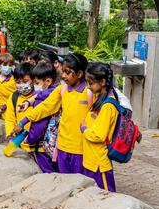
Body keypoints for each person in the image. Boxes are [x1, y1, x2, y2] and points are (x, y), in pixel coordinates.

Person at [13, 53, 91, 174]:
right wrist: (24, 121)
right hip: (62, 148)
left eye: (67, 72)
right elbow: (45, 107)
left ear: (80, 74)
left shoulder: (90, 92)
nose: (63, 75)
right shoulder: (62, 90)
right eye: (63, 71)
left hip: (82, 149)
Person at [80, 62, 119, 192]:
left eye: (91, 83)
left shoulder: (108, 105)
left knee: (106, 198)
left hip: (99, 164)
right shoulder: (99, 98)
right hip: (91, 160)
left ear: (102, 82)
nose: (88, 87)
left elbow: (99, 135)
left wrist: (84, 129)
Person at [24, 61, 59, 173]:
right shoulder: (58, 93)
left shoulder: (41, 99)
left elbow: (39, 126)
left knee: (47, 174)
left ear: (48, 81)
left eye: (37, 82)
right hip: (57, 144)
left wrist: (29, 139)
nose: (34, 86)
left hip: (42, 147)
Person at [4, 63, 38, 156]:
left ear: (34, 80)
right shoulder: (14, 97)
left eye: (25, 81)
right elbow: (10, 118)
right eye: (18, 82)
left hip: (37, 147)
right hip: (19, 144)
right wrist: (10, 135)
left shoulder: (39, 97)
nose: (21, 85)